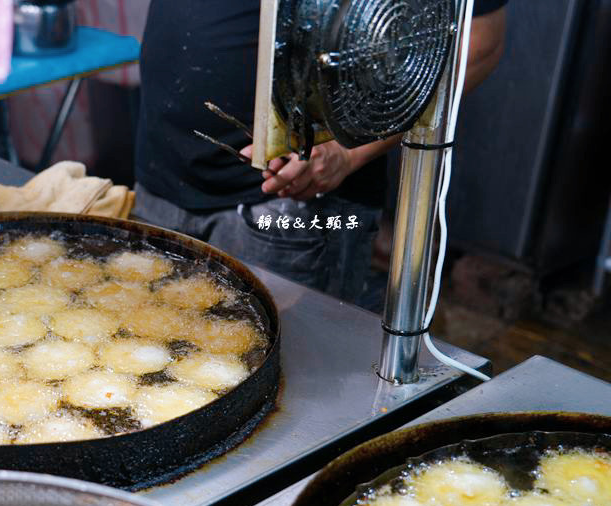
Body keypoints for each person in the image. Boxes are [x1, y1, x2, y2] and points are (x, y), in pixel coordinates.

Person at [132, 1, 508, 305]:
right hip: (160, 179)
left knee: (295, 375)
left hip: (287, 209)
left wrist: (347, 155)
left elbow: (477, 45)